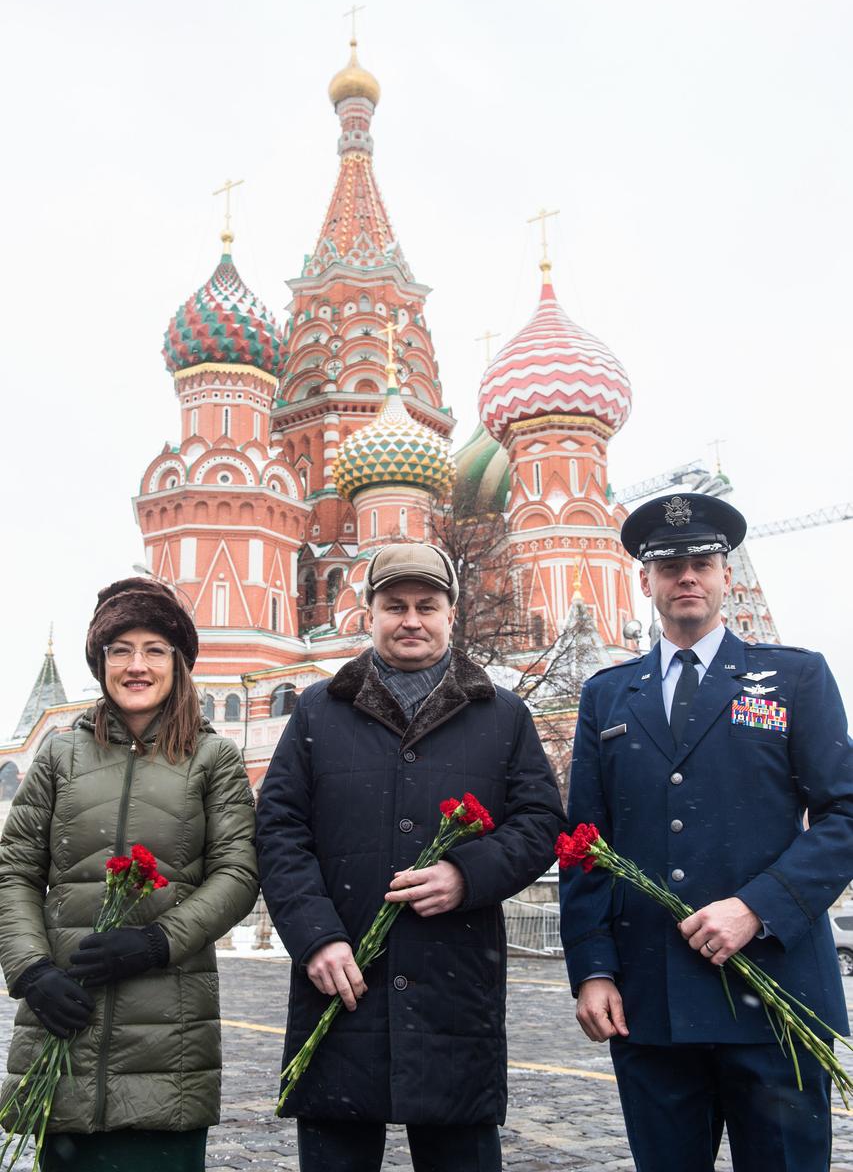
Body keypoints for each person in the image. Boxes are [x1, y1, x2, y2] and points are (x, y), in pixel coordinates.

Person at [560, 493, 853, 1172]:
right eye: (669, 565)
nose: (685, 575)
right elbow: (583, 842)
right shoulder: (608, 694)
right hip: (650, 1002)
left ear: (724, 575)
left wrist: (757, 906)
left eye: (700, 561)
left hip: (773, 996)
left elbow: (843, 815)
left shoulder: (793, 678)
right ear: (645, 582)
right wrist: (592, 969)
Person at [256, 542, 565, 1172]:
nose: (411, 620)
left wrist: (466, 873)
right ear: (369, 613)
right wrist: (316, 937)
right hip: (340, 980)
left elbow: (540, 824)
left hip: (453, 982)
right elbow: (279, 828)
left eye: (428, 605)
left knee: (461, 1151)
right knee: (337, 1151)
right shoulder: (319, 710)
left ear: (451, 613)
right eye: (394, 605)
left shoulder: (501, 714)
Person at [0, 577, 259, 1172]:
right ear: (100, 662)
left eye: (154, 650)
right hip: (64, 1023)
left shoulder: (210, 757)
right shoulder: (60, 756)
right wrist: (32, 971)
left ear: (179, 663)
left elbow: (238, 873)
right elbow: (13, 871)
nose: (136, 665)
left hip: (170, 1035)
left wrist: (155, 942)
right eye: (120, 649)